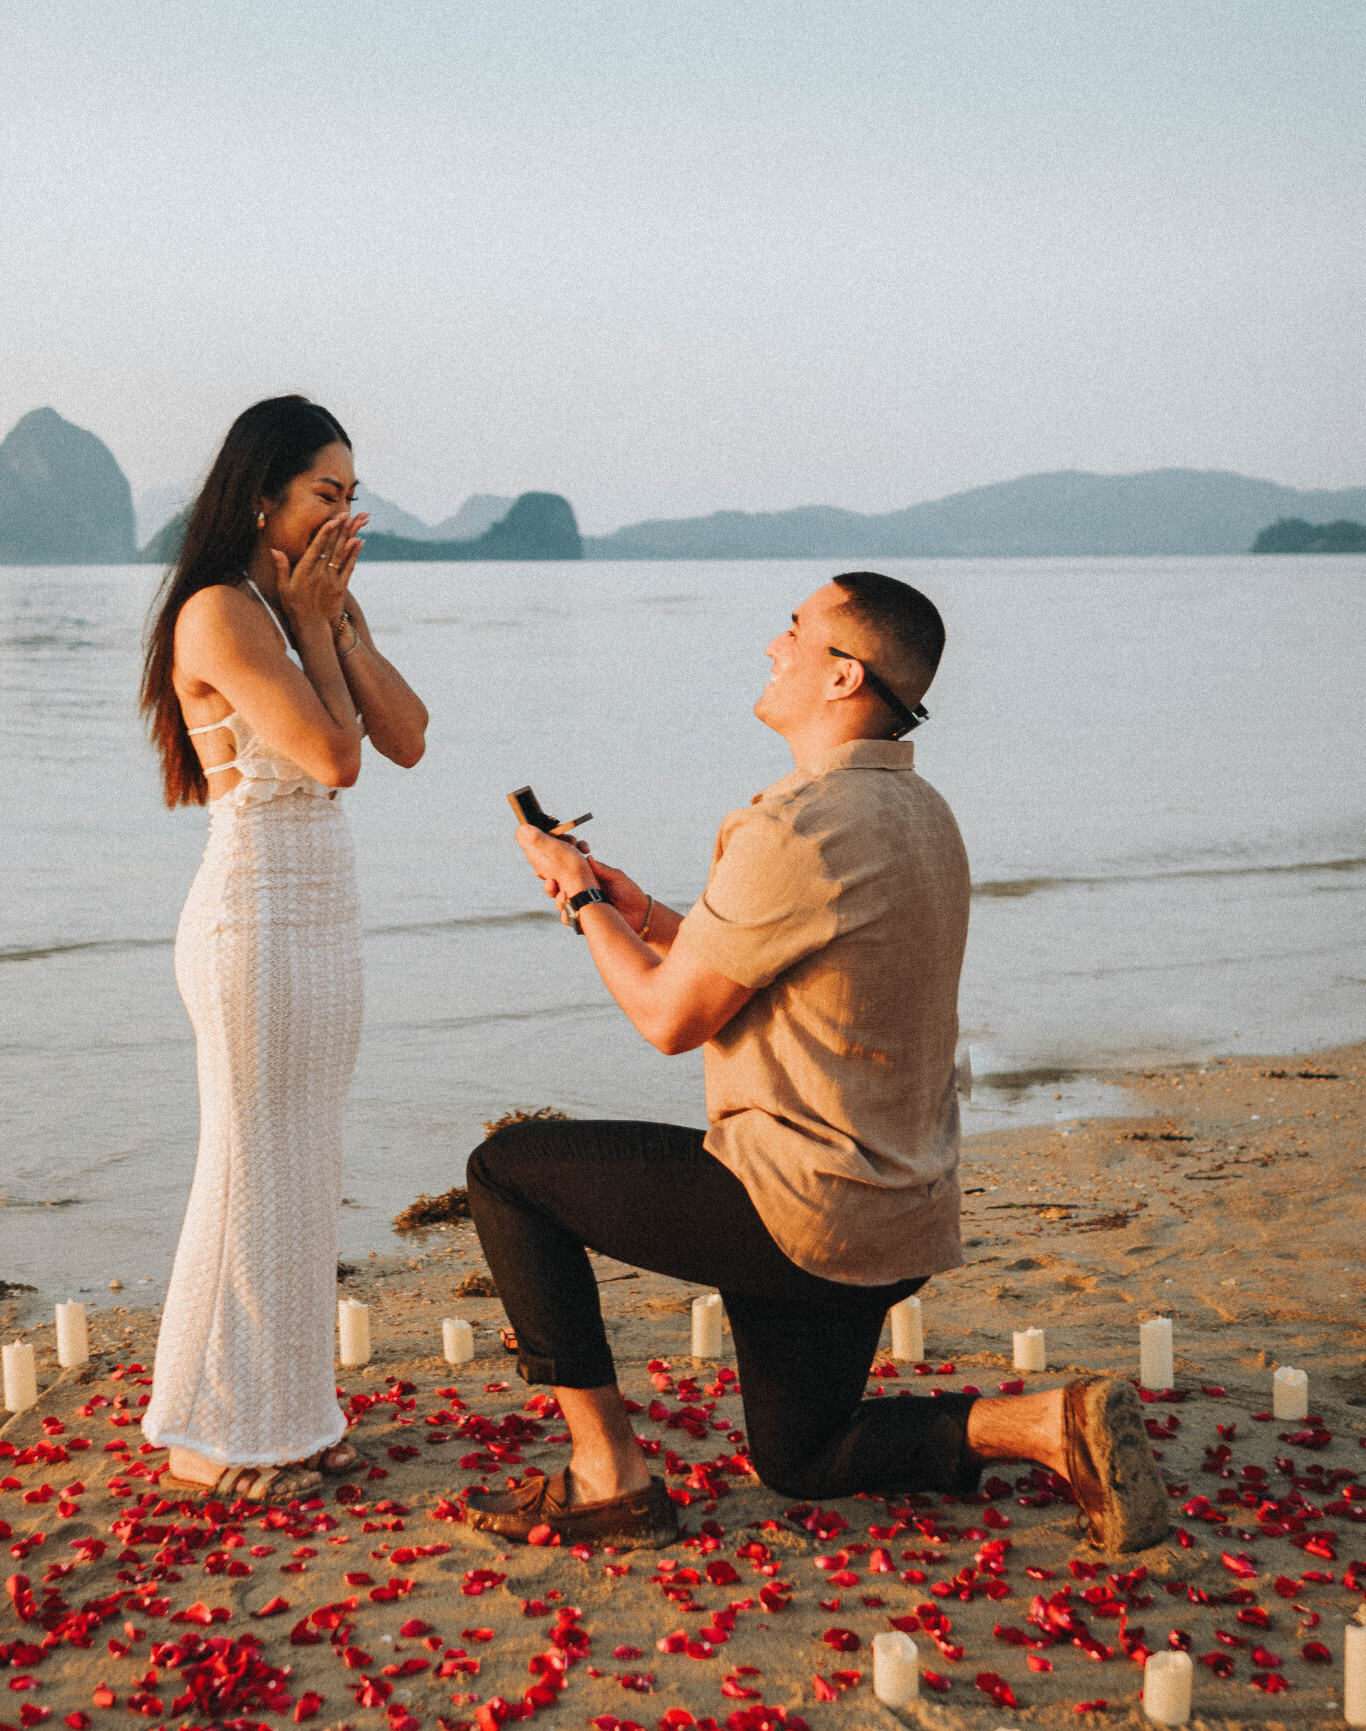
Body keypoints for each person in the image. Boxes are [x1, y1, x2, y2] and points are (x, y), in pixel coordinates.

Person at [462, 571, 1167, 1561]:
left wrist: (578, 899)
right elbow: (773, 959)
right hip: (899, 1214)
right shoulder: (917, 809)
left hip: (802, 1210)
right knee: (803, 1455)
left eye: (792, 631)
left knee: (506, 1172)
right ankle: (1046, 1424)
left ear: (842, 676)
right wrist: (637, 912)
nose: (772, 646)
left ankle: (605, 1474)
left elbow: (668, 1017)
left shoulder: (796, 824)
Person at [139, 396, 428, 1501]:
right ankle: (205, 1431)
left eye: (352, 496)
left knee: (305, 1166)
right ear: (263, 496)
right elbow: (330, 758)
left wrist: (335, 621)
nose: (343, 515)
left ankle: (289, 1417)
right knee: (249, 1163)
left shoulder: (311, 604)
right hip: (252, 918)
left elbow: (405, 738)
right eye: (324, 493)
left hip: (319, 914)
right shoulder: (219, 611)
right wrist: (313, 625)